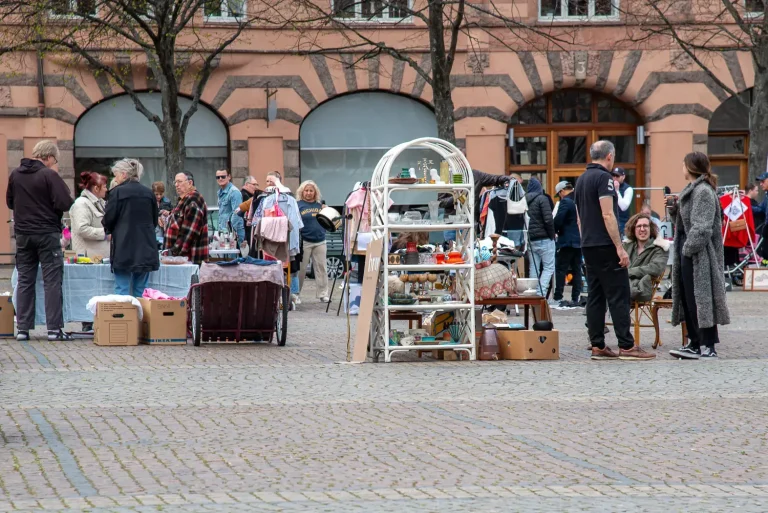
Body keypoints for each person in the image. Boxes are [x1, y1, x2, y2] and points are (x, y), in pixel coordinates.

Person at [574, 140, 655, 360]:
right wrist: (619, 247)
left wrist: (585, 240)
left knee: (595, 295)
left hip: (588, 244)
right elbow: (608, 214)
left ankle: (597, 345)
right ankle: (627, 346)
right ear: (609, 156)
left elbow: (579, 218)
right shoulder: (604, 179)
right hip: (605, 244)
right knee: (619, 294)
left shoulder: (581, 180)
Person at [6, 140, 74, 342]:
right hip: (46, 233)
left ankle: (23, 329)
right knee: (52, 280)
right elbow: (65, 202)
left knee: (25, 280)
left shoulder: (16, 174)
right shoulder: (48, 175)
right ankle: (54, 329)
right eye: (55, 160)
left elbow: (10, 201)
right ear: (50, 157)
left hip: (23, 235)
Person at [668, 152, 730, 359]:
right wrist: (674, 210)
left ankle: (708, 345)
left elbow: (702, 227)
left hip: (699, 253)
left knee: (701, 298)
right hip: (689, 250)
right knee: (689, 297)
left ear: (691, 167)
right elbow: (685, 222)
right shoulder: (692, 190)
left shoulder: (703, 191)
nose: (681, 167)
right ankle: (694, 342)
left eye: (684, 164)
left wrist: (688, 249)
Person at [103, 159, 160, 297]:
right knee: (141, 291)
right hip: (145, 248)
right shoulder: (149, 193)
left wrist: (109, 230)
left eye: (116, 175)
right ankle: (140, 318)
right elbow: (154, 221)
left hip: (123, 247)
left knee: (122, 291)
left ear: (123, 174)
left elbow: (108, 220)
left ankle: (124, 319)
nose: (115, 179)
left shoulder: (117, 193)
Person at [163, 172, 209, 265]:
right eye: (175, 182)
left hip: (188, 259)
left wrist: (174, 252)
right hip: (180, 259)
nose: (176, 185)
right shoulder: (184, 199)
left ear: (190, 183)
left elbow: (190, 232)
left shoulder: (193, 200)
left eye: (179, 182)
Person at [623, 213, 670, 302]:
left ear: (650, 228)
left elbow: (656, 269)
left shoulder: (660, 248)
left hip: (642, 287)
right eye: (639, 226)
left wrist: (628, 272)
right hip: (624, 284)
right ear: (633, 229)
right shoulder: (627, 246)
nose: (642, 229)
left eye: (645, 226)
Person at [297, 180, 329, 303]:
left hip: (320, 240)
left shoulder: (320, 205)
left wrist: (326, 210)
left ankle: (323, 294)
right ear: (302, 192)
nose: (309, 193)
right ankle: (296, 294)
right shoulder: (297, 204)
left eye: (311, 191)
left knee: (321, 268)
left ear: (315, 192)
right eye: (306, 190)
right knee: (301, 269)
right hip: (304, 241)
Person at [525, 177, 556, 299]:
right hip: (544, 238)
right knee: (548, 267)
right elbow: (548, 219)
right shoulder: (542, 199)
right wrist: (551, 235)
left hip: (531, 239)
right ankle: (541, 294)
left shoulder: (525, 200)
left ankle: (532, 292)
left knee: (534, 267)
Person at [553, 181, 582, 308]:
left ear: (561, 191)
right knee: (577, 269)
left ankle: (558, 297)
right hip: (579, 240)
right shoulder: (579, 199)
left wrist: (554, 229)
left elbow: (559, 219)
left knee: (561, 269)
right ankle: (576, 297)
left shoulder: (565, 201)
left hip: (567, 241)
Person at [69, 172, 109, 259]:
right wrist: (106, 234)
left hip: (98, 257)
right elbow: (82, 229)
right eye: (105, 187)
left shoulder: (101, 203)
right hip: (88, 259)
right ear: (96, 188)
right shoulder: (81, 204)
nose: (106, 189)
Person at [215, 169, 245, 243]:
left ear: (229, 177)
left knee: (235, 254)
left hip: (234, 233)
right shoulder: (220, 192)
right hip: (224, 232)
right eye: (218, 177)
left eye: (223, 176)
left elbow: (237, 213)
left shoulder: (234, 192)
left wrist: (230, 232)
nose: (220, 179)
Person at [612, 167, 633, 237]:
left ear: (623, 177)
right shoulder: (608, 187)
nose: (615, 178)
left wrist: (617, 191)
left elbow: (623, 207)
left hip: (622, 224)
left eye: (617, 176)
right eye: (613, 175)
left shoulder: (628, 189)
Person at [755, 172, 768, 261]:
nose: (760, 184)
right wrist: (745, 203)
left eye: (763, 181)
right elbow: (760, 209)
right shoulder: (766, 195)